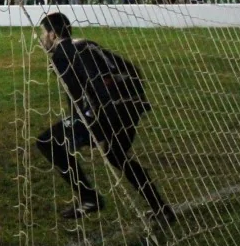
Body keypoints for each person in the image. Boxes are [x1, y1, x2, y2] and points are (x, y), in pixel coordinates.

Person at [35, 12, 174, 223]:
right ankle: (161, 209)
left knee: (47, 141)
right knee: (116, 155)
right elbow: (131, 69)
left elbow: (85, 87)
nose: (41, 38)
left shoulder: (62, 52)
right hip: (130, 107)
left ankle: (89, 198)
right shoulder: (86, 43)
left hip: (107, 112)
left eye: (43, 33)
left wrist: (97, 117)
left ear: (53, 34)